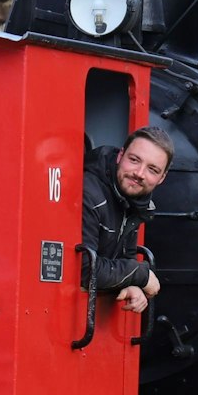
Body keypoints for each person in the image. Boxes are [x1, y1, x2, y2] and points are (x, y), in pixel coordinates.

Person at [82, 126, 173, 314]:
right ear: (120, 156)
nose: (139, 173)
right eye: (134, 160)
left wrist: (131, 285)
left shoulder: (136, 202)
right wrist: (140, 274)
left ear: (162, 178)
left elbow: (125, 258)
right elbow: (84, 270)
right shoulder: (89, 194)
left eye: (152, 169)